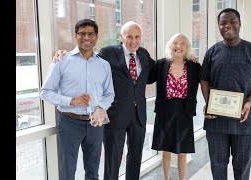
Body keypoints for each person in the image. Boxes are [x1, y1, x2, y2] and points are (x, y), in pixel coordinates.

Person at [53, 21, 155, 180]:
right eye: (129, 37)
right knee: (113, 160)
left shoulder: (144, 54)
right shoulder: (108, 52)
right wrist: (64, 53)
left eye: (137, 36)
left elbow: (155, 74)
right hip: (115, 115)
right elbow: (87, 59)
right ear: (121, 37)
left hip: (138, 116)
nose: (133, 41)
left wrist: (182, 60)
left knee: (136, 157)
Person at [39, 19, 115, 180]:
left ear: (96, 37)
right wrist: (71, 101)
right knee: (67, 171)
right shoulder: (62, 61)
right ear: (76, 36)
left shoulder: (104, 65)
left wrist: (101, 108)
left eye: (90, 34)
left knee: (93, 171)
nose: (86, 37)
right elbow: (45, 92)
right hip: (69, 123)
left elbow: (110, 94)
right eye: (82, 33)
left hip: (95, 124)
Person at [199, 8, 251, 180]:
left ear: (239, 24)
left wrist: (250, 102)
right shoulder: (212, 52)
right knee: (217, 165)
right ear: (219, 26)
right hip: (216, 121)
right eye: (223, 23)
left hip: (244, 119)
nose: (228, 26)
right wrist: (209, 102)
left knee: (242, 166)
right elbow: (204, 79)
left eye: (232, 21)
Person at [148, 33, 201, 180]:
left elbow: (206, 80)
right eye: (175, 43)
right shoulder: (161, 64)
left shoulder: (194, 66)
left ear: (187, 48)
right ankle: (166, 178)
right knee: (165, 150)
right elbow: (147, 79)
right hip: (165, 111)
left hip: (185, 111)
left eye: (183, 43)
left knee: (182, 151)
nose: (179, 46)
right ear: (170, 46)